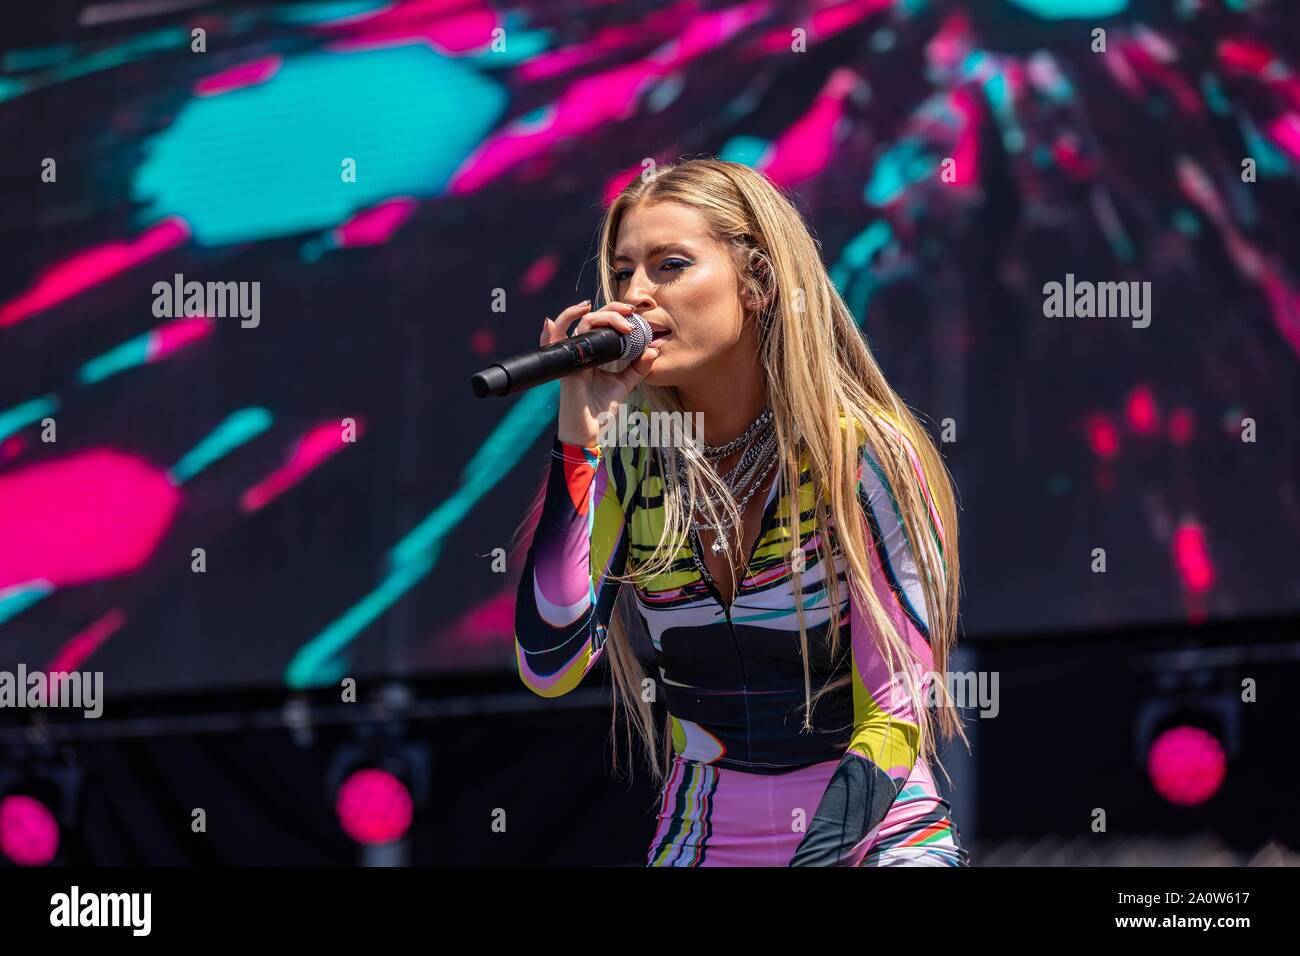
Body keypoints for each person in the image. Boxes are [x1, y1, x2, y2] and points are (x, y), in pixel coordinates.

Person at [513, 157, 969, 866]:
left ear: (755, 282)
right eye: (624, 272)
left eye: (669, 265)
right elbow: (550, 663)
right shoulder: (630, 461)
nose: (635, 295)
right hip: (705, 835)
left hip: (874, 834)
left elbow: (897, 714)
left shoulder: (863, 454)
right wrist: (579, 436)